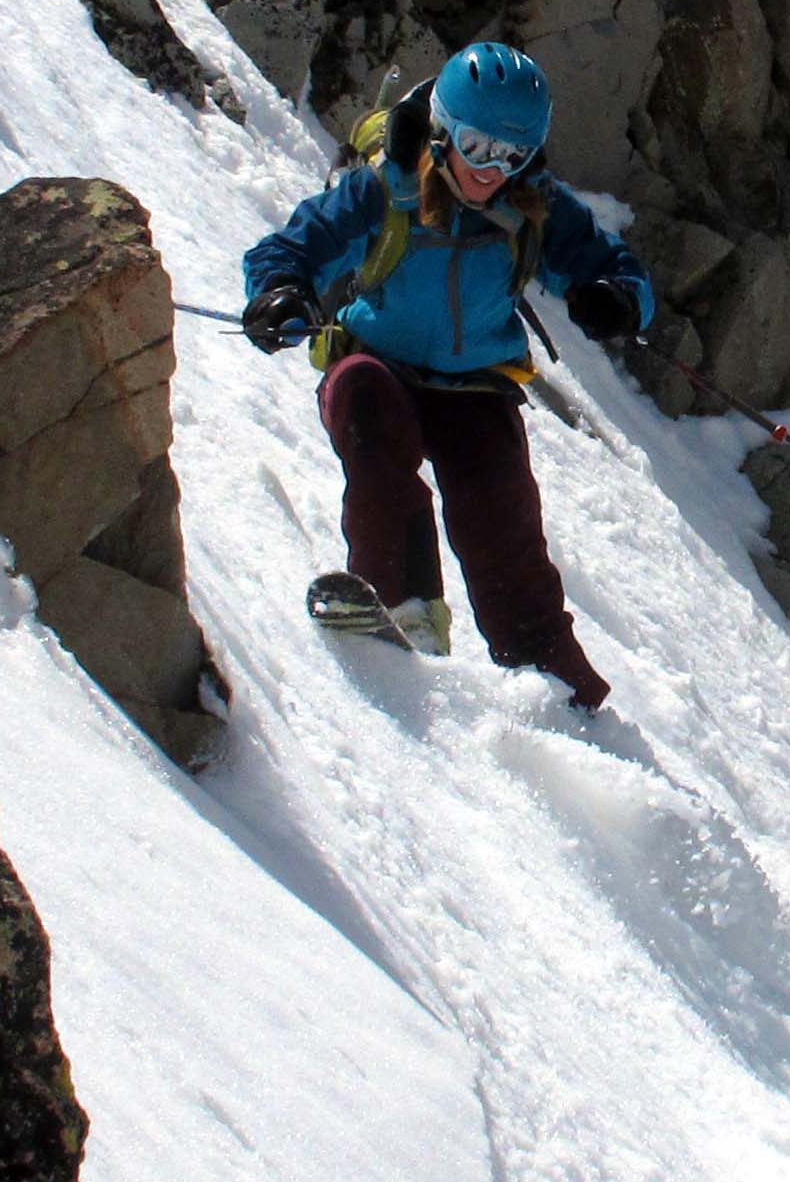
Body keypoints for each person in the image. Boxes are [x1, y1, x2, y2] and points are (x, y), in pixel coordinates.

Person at [239, 41, 651, 707]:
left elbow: (617, 270)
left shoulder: (536, 204)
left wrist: (617, 299)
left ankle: (554, 677)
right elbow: (293, 247)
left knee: (501, 521)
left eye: (512, 155)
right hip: (375, 362)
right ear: (443, 129)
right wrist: (279, 291)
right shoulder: (386, 186)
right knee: (375, 432)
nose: (492, 170)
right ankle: (403, 614)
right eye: (477, 146)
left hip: (475, 386)